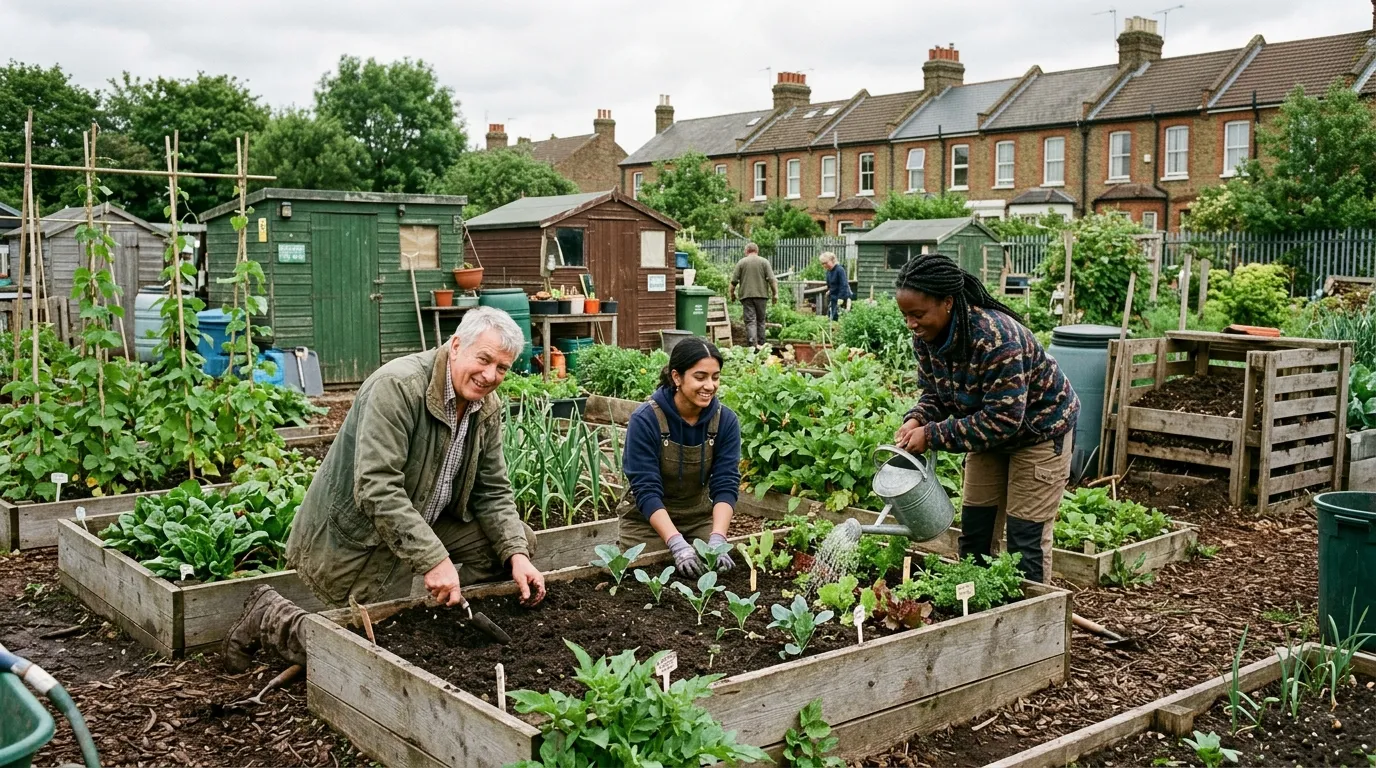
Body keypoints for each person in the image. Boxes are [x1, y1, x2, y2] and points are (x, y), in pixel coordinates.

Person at [223, 308, 546, 672]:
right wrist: (434, 560)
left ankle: (440, 614)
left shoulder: (485, 406)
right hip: (362, 533)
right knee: (374, 650)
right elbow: (377, 488)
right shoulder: (398, 387)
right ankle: (270, 615)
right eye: (484, 359)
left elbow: (493, 490)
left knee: (513, 544)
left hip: (422, 522)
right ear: (456, 346)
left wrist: (517, 555)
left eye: (502, 368)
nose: (490, 375)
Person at [891, 254, 1079, 584]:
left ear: (947, 302)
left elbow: (1004, 418)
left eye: (918, 314)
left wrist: (933, 436)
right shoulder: (926, 338)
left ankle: (1030, 628)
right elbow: (935, 393)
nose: (911, 324)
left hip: (1039, 433)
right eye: (905, 315)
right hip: (986, 432)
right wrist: (917, 419)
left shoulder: (996, 338)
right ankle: (977, 616)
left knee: (1025, 542)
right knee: (976, 534)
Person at [619, 340, 742, 576]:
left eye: (715, 377)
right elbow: (645, 489)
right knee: (645, 575)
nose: (710, 385)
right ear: (677, 377)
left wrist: (717, 538)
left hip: (697, 519)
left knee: (714, 570)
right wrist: (676, 543)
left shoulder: (724, 421)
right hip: (646, 523)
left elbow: (726, 482)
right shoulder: (646, 419)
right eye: (700, 377)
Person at [728, 242, 777, 348]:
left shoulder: (741, 262)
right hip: (762, 296)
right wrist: (775, 294)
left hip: (747, 296)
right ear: (757, 251)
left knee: (750, 321)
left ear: (746, 251)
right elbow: (772, 279)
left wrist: (732, 294)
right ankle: (762, 345)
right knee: (761, 320)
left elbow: (733, 282)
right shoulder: (764, 262)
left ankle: (753, 346)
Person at [820, 251, 853, 321]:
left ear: (832, 260)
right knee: (830, 317)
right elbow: (831, 285)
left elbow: (844, 285)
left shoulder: (840, 270)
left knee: (838, 317)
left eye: (826, 263)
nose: (824, 265)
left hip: (842, 298)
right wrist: (829, 291)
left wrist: (840, 298)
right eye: (823, 264)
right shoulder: (828, 271)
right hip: (833, 297)